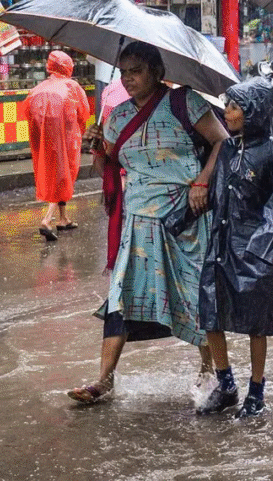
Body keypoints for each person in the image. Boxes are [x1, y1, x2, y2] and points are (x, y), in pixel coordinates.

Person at [69, 41, 228, 404]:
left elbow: (221, 143)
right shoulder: (117, 116)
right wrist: (96, 146)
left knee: (194, 296)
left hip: (185, 217)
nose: (128, 79)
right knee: (120, 297)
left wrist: (202, 180)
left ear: (157, 72)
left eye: (136, 71)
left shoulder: (185, 103)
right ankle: (103, 380)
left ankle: (211, 371)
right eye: (123, 72)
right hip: (138, 221)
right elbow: (105, 169)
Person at [198, 78, 273, 418]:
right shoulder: (225, 149)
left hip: (257, 249)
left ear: (253, 112)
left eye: (234, 106)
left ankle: (256, 390)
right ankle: (226, 385)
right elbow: (215, 196)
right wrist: (176, 218)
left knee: (257, 322)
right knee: (210, 312)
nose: (227, 112)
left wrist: (262, 248)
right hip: (222, 243)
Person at [26, 50, 91, 241]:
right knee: (63, 175)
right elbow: (84, 113)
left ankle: (63, 218)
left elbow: (27, 111)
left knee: (53, 171)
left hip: (43, 138)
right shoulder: (72, 87)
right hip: (66, 138)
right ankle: (47, 219)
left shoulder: (38, 88)